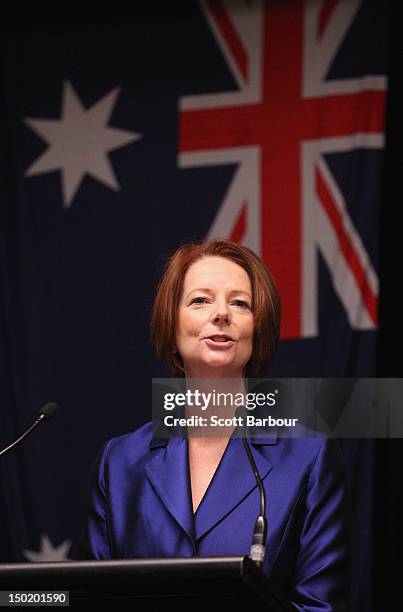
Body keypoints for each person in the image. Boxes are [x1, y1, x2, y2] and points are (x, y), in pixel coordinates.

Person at [77, 239, 351, 610]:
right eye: (200, 300)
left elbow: (320, 605)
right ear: (170, 328)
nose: (221, 313)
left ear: (259, 330)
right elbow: (92, 597)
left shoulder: (309, 456)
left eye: (239, 303)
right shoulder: (120, 461)